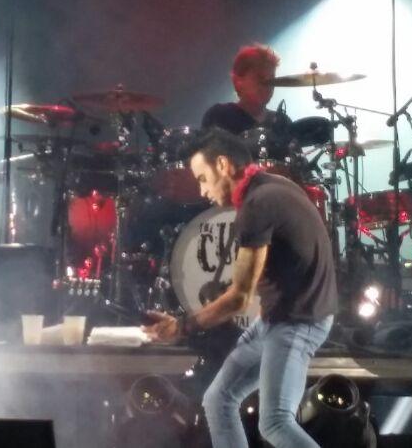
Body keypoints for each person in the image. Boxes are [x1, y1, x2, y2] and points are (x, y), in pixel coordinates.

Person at [143, 128, 337, 448]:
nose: (202, 190)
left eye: (203, 178)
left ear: (223, 165)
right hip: (279, 318)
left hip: (298, 322)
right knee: (218, 400)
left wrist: (182, 326)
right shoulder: (275, 185)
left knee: (275, 422)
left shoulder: (257, 205)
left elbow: (239, 298)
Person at [202, 43, 292, 136]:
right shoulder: (220, 115)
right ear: (238, 81)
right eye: (260, 77)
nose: (267, 84)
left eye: (272, 79)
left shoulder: (283, 122)